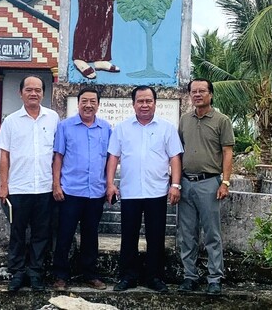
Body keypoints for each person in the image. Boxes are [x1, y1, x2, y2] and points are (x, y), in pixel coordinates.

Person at [105, 85, 183, 293]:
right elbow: (113, 156)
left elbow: (175, 157)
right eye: (140, 101)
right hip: (130, 191)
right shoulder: (122, 128)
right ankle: (127, 276)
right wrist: (110, 183)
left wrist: (175, 185)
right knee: (128, 236)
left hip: (157, 192)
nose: (145, 105)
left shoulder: (167, 128)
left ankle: (154, 277)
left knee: (155, 236)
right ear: (133, 104)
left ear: (155, 103)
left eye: (149, 101)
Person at [0, 75, 59, 293]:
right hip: (19, 188)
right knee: (18, 233)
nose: (34, 93)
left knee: (42, 234)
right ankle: (17, 273)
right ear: (20, 93)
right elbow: (4, 155)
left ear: (43, 93)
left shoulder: (53, 118)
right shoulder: (11, 121)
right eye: (29, 89)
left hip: (44, 188)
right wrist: (4, 185)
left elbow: (58, 154)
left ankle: (36, 274)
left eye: (38, 90)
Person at [177, 78, 235, 295]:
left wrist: (225, 182)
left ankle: (215, 278)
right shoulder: (184, 119)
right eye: (194, 91)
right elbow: (179, 149)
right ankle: (189, 276)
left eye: (202, 91)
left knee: (212, 234)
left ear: (210, 94)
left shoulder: (222, 120)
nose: (197, 95)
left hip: (210, 183)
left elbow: (228, 152)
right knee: (187, 233)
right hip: (186, 182)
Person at [51, 87, 112, 291]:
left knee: (90, 235)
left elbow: (109, 160)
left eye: (92, 101)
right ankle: (60, 276)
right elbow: (58, 156)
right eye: (84, 101)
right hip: (70, 191)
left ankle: (90, 274)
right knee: (65, 235)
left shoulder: (106, 128)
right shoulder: (65, 127)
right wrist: (56, 184)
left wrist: (108, 184)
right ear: (78, 104)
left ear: (98, 104)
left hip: (95, 192)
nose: (88, 105)